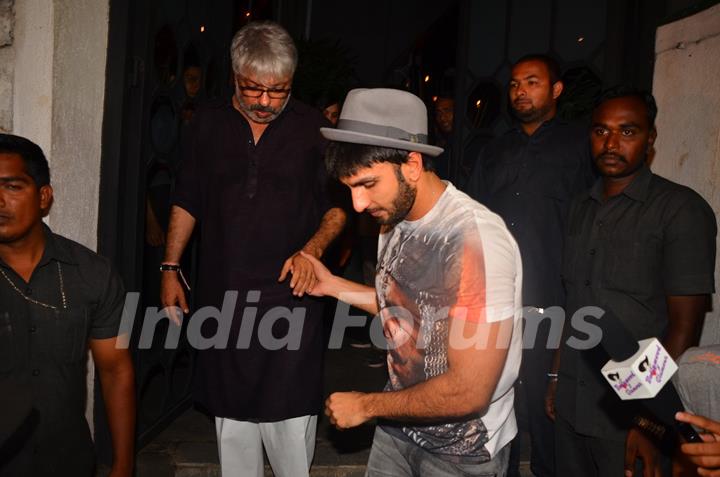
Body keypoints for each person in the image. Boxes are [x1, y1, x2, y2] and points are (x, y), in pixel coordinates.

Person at [303, 87, 523, 476]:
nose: (357, 204)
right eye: (349, 187)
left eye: (367, 184)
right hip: (399, 427)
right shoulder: (394, 215)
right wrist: (332, 285)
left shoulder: (473, 241)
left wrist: (366, 406)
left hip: (461, 449)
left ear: (412, 165)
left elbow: (469, 391)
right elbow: (407, 306)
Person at [159, 21, 346, 477]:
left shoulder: (315, 130)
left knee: (289, 424)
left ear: (292, 83)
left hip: (293, 296)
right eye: (253, 89)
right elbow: (187, 199)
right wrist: (170, 267)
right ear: (235, 76)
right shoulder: (206, 125)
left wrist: (311, 251)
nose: (264, 102)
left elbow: (340, 209)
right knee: (233, 427)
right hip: (225, 294)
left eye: (277, 92)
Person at [548, 86, 716, 476]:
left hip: (629, 420)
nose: (611, 143)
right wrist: (556, 377)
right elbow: (573, 301)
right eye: (600, 131)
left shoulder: (680, 210)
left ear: (650, 138)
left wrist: (647, 419)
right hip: (573, 403)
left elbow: (684, 330)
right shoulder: (578, 207)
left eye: (627, 131)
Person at [465, 53, 594, 477]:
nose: (520, 91)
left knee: (546, 399)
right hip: (497, 294)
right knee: (498, 396)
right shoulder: (495, 149)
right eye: (516, 83)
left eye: (532, 82)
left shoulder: (580, 146)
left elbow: (592, 217)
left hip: (552, 291)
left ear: (556, 90)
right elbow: (475, 216)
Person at [0, 133, 135, 477]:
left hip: (67, 460)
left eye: (12, 186)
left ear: (44, 197)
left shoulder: (94, 273)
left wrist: (123, 463)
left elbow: (116, 369)